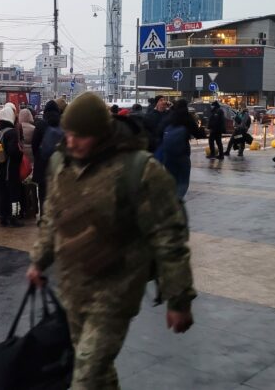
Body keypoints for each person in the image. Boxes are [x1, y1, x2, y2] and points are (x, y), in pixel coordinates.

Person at [27, 92, 195, 389]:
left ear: (101, 133)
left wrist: (178, 299)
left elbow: (169, 236)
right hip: (72, 285)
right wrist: (39, 260)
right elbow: (52, 216)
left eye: (80, 136)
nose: (71, 142)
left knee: (86, 376)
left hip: (116, 291)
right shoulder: (61, 163)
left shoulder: (139, 170)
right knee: (98, 372)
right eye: (68, 134)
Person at [160, 99, 205, 198]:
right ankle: (177, 200)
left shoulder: (169, 116)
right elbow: (198, 134)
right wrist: (202, 130)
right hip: (182, 153)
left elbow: (160, 130)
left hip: (168, 154)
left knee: (171, 178)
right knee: (183, 180)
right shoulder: (187, 118)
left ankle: (170, 199)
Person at [0, 105, 23, 227]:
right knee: (14, 194)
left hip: (0, 167)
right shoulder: (11, 132)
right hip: (11, 169)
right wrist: (20, 153)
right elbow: (13, 151)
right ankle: (14, 217)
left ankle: (3, 217)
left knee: (3, 193)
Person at [31, 100, 63, 213]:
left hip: (42, 163)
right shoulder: (63, 123)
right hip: (59, 163)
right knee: (58, 190)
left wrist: (38, 156)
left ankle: (44, 216)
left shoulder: (40, 124)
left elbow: (34, 144)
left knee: (43, 191)